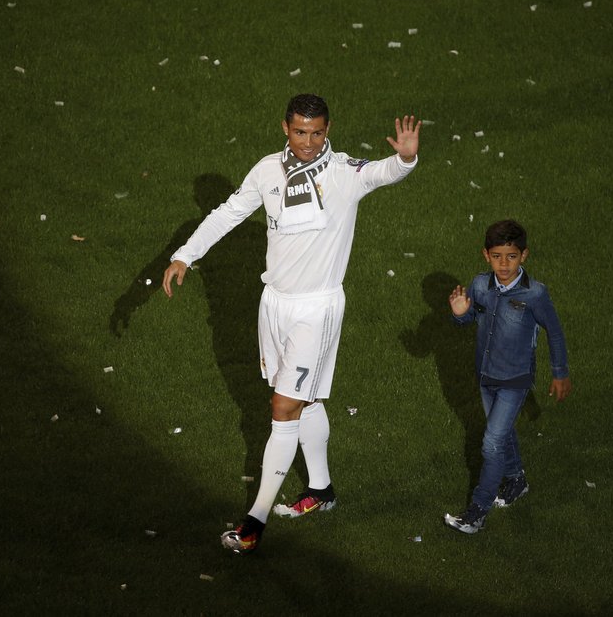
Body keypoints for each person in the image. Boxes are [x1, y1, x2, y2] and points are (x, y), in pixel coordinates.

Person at [162, 93, 421, 554]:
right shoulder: (266, 171)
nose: (307, 141)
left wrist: (405, 158)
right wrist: (186, 254)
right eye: (300, 132)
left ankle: (254, 521)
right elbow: (229, 213)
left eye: (316, 132)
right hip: (274, 306)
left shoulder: (344, 173)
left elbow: (384, 172)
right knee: (307, 399)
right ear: (285, 128)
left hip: (316, 311)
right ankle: (320, 490)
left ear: (328, 129)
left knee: (283, 408)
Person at [443, 219, 571, 534]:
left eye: (511, 256)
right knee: (502, 434)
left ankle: (477, 512)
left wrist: (560, 373)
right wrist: (460, 314)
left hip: (515, 380)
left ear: (523, 256)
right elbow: (469, 318)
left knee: (492, 442)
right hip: (486, 376)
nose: (504, 264)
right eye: (497, 256)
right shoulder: (479, 285)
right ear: (486, 255)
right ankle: (516, 480)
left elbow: (554, 333)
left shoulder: (536, 294)